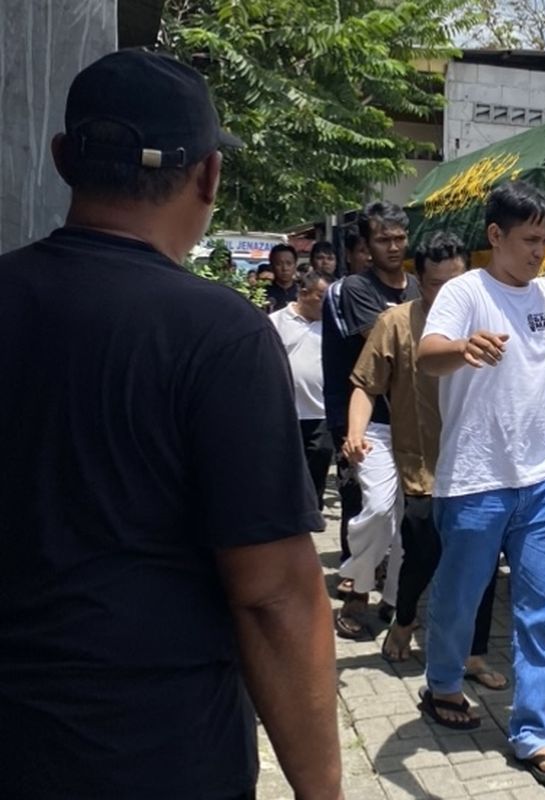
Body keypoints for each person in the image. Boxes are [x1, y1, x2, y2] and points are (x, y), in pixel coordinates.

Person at [0, 50, 342, 799]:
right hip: (158, 750)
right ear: (210, 176)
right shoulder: (218, 335)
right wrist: (321, 790)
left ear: (63, 160)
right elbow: (275, 594)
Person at [416, 181, 545, 788]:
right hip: (474, 478)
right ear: (496, 236)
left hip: (541, 477)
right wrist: (464, 347)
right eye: (529, 240)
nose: (541, 252)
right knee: (461, 599)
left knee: (541, 608)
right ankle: (441, 681)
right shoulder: (466, 291)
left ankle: (533, 731)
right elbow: (428, 354)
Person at [344, 231, 506, 688]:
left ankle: (474, 654)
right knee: (420, 556)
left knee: (484, 564)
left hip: (481, 467)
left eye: (457, 281)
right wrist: (356, 432)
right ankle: (405, 619)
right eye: (436, 284)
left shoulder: (489, 319)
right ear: (419, 280)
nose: (448, 293)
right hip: (424, 468)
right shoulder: (396, 322)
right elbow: (365, 384)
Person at [323, 201, 419, 638]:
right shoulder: (352, 290)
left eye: (400, 238)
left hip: (414, 422)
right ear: (366, 243)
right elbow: (386, 344)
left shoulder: (418, 286)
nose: (394, 246)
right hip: (362, 420)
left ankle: (396, 602)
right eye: (384, 239)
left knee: (407, 521)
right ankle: (355, 590)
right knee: (370, 509)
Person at [271, 271, 334, 508]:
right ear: (303, 294)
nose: (325, 304)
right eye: (321, 297)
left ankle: (310, 512)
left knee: (317, 467)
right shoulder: (275, 322)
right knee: (286, 469)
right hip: (285, 412)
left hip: (321, 412)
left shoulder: (332, 326)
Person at [265, 243, 299, 312]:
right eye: (279, 264)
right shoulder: (263, 293)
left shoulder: (302, 293)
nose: (285, 268)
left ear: (295, 266)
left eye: (289, 263)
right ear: (271, 266)